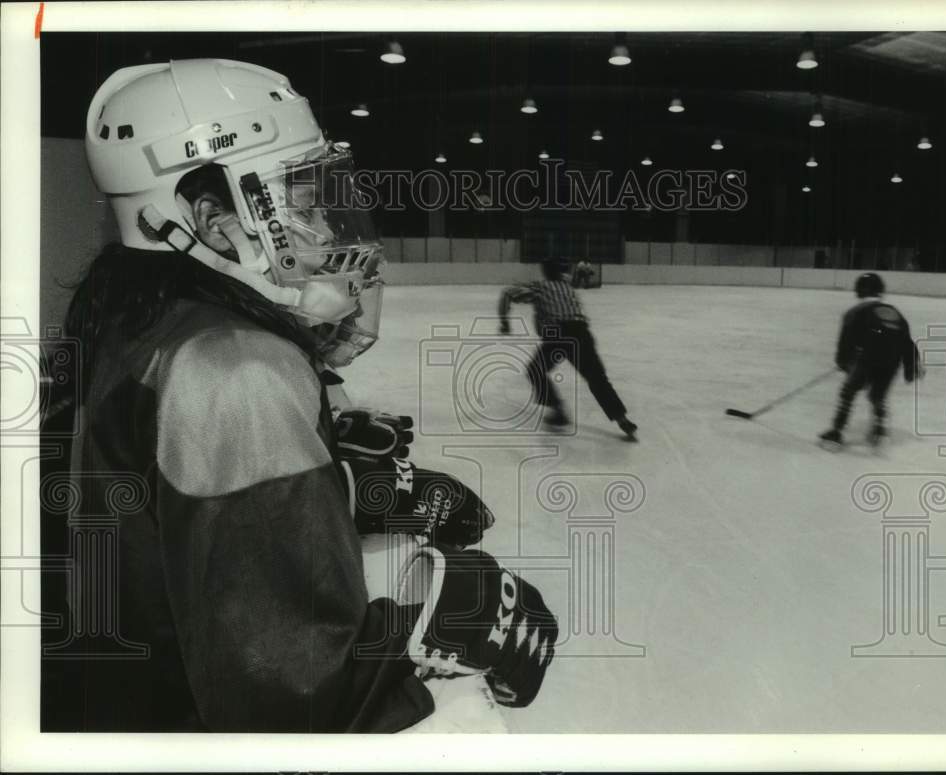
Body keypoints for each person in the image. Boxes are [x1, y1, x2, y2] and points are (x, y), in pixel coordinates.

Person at [43, 58, 556, 732]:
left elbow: (164, 525)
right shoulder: (232, 368)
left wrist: (337, 491)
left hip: (119, 704)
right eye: (304, 198)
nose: (326, 227)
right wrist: (419, 649)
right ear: (210, 216)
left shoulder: (137, 315)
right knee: (468, 720)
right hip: (176, 728)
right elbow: (293, 693)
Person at [498, 259, 637, 439]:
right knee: (597, 377)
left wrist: (504, 322)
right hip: (581, 332)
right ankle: (622, 419)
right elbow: (575, 281)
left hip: (557, 333)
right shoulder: (566, 285)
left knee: (535, 371)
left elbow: (507, 293)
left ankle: (557, 409)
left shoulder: (540, 287)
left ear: (545, 272)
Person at [819, 272, 922, 449]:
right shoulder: (894, 312)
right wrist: (911, 364)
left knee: (848, 392)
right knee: (877, 395)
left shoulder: (854, 312)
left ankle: (836, 432)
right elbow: (906, 341)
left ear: (858, 291)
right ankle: (879, 430)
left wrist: (843, 361)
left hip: (868, 358)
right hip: (892, 361)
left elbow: (847, 340)